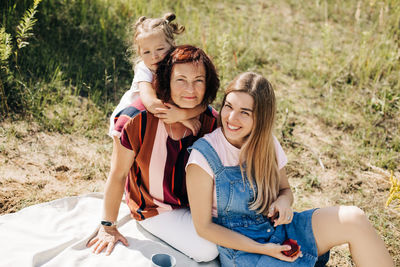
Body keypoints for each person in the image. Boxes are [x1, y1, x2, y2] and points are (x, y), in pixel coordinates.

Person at [186, 72, 394, 267]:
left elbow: (285, 190)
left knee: (353, 219)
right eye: (228, 106)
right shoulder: (204, 157)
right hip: (245, 251)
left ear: (260, 118)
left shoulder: (267, 144)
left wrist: (283, 203)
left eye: (244, 112)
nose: (231, 118)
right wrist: (263, 249)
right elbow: (204, 227)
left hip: (280, 230)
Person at [87, 45, 220, 262]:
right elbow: (118, 174)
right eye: (181, 80)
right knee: (208, 250)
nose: (191, 89)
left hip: (197, 202)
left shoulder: (210, 119)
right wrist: (108, 226)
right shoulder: (135, 120)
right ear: (166, 80)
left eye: (199, 80)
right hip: (154, 207)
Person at [108, 13, 205, 138]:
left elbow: (204, 102)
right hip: (132, 117)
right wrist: (182, 117)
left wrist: (183, 114)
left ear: (172, 45)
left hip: (162, 112)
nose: (154, 56)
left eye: (160, 49)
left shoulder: (177, 64)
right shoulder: (144, 69)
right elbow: (151, 103)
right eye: (146, 52)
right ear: (139, 53)